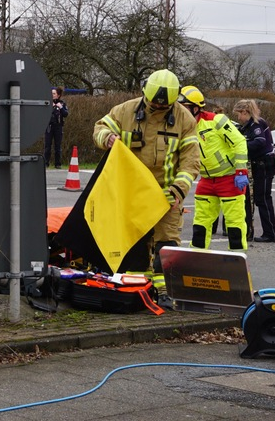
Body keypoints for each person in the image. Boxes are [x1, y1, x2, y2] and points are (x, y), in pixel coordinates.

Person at [92, 69, 199, 300]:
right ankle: (136, 290)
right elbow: (99, 128)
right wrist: (107, 138)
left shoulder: (185, 120)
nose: (158, 108)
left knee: (167, 245)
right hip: (132, 195)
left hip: (166, 196)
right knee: (134, 244)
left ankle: (165, 292)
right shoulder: (125, 111)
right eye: (153, 104)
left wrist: (178, 191)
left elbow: (191, 162)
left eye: (164, 106)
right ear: (144, 94)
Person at [179, 86, 249, 251]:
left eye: (184, 107)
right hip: (206, 181)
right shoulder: (183, 128)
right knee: (200, 224)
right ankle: (197, 258)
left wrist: (241, 171)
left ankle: (237, 260)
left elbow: (239, 142)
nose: (180, 111)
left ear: (196, 108)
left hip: (230, 179)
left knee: (234, 225)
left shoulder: (216, 121)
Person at [235, 99, 275, 243]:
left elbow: (259, 142)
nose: (238, 118)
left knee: (263, 199)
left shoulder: (257, 124)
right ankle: (257, 231)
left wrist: (242, 144)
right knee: (256, 199)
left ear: (245, 112)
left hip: (265, 164)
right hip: (257, 164)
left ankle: (270, 233)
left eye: (238, 114)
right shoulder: (246, 127)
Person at [44, 87, 69, 168]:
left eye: (54, 94)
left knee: (58, 146)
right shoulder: (48, 103)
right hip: (49, 127)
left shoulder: (62, 103)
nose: (52, 95)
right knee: (47, 146)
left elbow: (65, 114)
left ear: (58, 95)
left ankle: (58, 164)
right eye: (51, 93)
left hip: (58, 127)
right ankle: (46, 163)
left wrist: (60, 107)